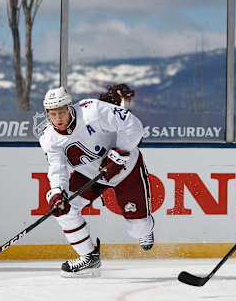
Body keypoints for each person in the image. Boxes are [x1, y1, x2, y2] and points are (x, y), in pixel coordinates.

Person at [39, 84, 154, 278]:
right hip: (90, 175)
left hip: (126, 168)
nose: (58, 119)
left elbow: (133, 125)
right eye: (53, 114)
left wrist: (120, 152)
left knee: (138, 229)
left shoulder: (92, 110)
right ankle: (89, 257)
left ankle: (145, 229)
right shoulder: (49, 137)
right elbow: (57, 167)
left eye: (61, 112)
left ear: (70, 108)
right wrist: (58, 191)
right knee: (64, 209)